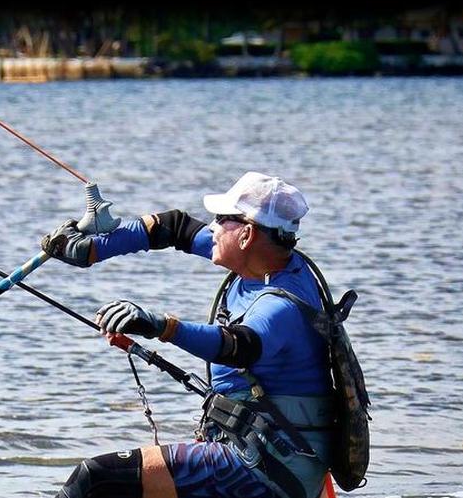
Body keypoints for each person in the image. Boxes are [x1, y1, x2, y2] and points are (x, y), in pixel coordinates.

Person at [41, 172, 333, 498]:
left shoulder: (281, 303)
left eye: (222, 219)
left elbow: (239, 346)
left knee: (95, 479)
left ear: (247, 234)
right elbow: (173, 227)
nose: (213, 227)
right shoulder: (265, 259)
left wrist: (162, 326)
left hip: (269, 468)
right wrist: (91, 250)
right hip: (262, 450)